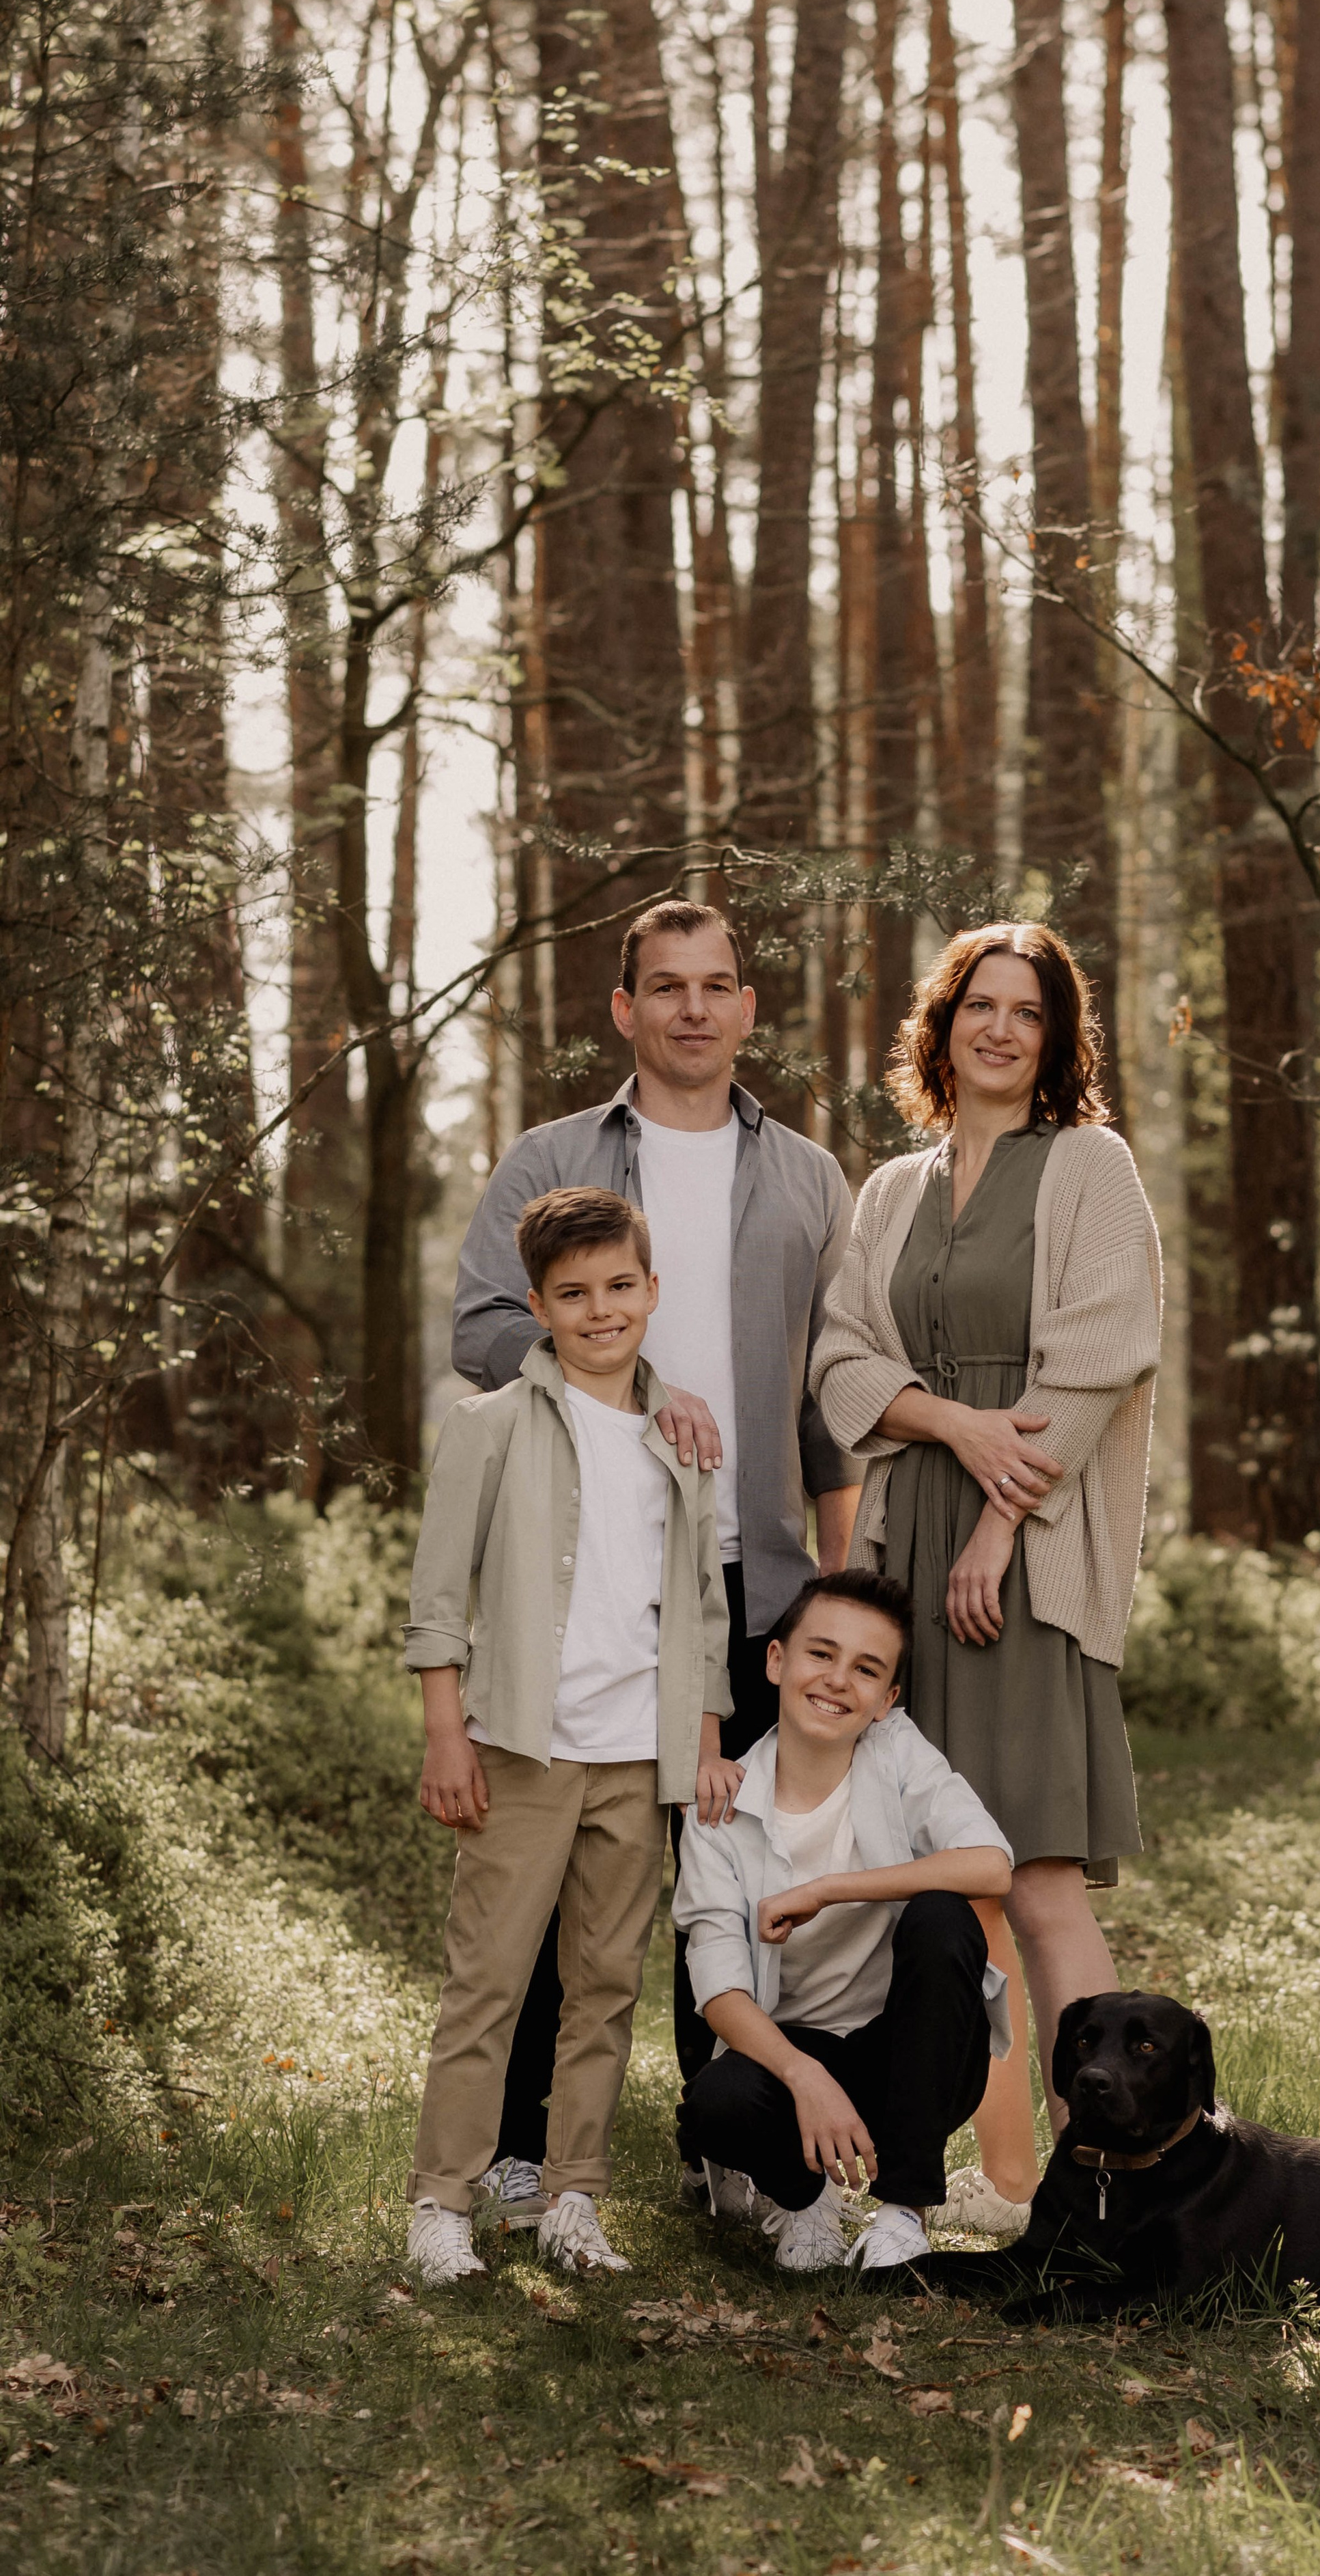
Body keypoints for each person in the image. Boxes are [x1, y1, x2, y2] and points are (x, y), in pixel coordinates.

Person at [451, 900, 861, 2218]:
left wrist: (840, 1587)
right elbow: (477, 1328)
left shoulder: (809, 1176)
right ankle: (516, 2145)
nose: (694, 1007)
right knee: (559, 1873)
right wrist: (641, 1384)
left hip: (756, 1579)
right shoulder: (553, 1156)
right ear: (624, 1009)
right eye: (666, 986)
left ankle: (719, 2140)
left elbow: (824, 1398)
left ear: (749, 1008)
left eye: (718, 984)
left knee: (724, 1874)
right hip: (584, 1582)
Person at [810, 923, 1161, 2239]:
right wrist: (951, 1431)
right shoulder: (890, 1190)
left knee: (1037, 1877)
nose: (1001, 1029)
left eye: (1029, 1011)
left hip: (1029, 1550)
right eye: (979, 1005)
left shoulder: (1089, 1166)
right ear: (942, 1027)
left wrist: (999, 1523)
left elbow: (1103, 1352)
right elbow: (844, 1358)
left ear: (1058, 1041)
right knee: (938, 1879)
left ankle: (1107, 2178)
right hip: (907, 1549)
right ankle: (998, 2177)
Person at [402, 1185, 733, 2286]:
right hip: (525, 1752)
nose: (602, 1311)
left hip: (639, 1762)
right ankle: (442, 2201)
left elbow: (702, 1606)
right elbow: (438, 1597)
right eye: (575, 1293)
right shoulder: (490, 1427)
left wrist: (704, 1744)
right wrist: (449, 1736)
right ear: (538, 1305)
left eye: (621, 1287)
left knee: (604, 1988)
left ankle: (573, 2198)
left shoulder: (681, 1438)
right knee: (490, 1982)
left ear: (652, 1290)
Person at [673, 1570, 1013, 2273]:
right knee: (717, 2102)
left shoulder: (896, 1755)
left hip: (914, 2054)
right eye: (819, 1655)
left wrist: (829, 1890)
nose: (836, 1681)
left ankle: (903, 2213)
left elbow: (991, 1865)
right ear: (776, 1661)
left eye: (866, 1669)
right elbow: (719, 1993)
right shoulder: (720, 1809)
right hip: (796, 2048)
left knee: (943, 1915)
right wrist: (805, 2078)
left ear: (886, 1701)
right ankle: (805, 2199)